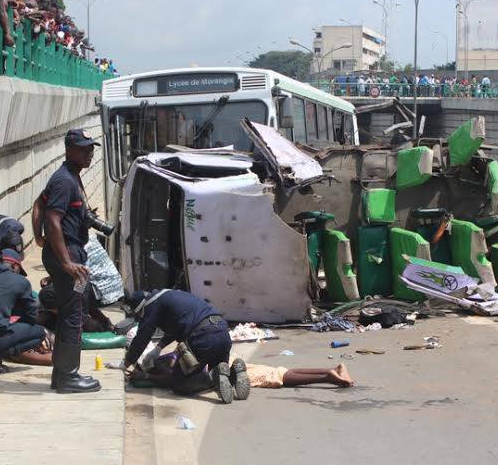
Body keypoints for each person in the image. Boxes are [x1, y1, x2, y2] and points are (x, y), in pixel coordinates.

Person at [32, 128, 101, 393]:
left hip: (70, 253)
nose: (89, 153)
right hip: (68, 256)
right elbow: (52, 218)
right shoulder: (64, 181)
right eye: (84, 149)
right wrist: (65, 263)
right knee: (73, 315)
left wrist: (39, 237)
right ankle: (68, 377)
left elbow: (39, 204)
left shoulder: (71, 178)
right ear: (69, 150)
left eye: (91, 148)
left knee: (70, 314)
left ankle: (61, 375)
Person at [122, 289, 248, 404]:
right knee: (221, 372)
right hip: (223, 334)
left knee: (179, 383)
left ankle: (212, 376)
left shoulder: (150, 306)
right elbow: (176, 325)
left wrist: (127, 364)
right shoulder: (169, 296)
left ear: (140, 309)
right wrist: (158, 347)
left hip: (202, 339)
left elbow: (142, 337)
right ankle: (233, 374)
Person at [132, 353, 355, 390]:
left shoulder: (168, 364)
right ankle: (330, 369)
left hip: (226, 373)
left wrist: (147, 377)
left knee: (276, 376)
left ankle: (329, 376)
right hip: (229, 364)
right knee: (279, 370)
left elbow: (170, 380)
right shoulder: (171, 356)